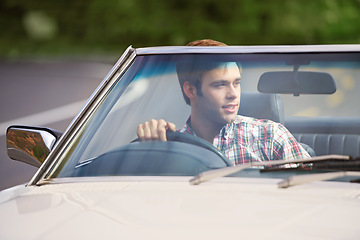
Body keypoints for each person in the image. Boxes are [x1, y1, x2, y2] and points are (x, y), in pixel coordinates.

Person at [137, 39, 310, 165]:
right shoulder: (169, 146)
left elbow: (314, 195)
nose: (233, 94)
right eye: (220, 85)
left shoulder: (270, 137)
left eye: (236, 83)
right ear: (190, 90)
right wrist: (149, 147)